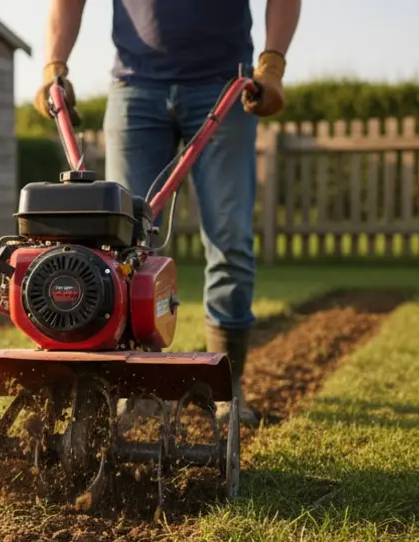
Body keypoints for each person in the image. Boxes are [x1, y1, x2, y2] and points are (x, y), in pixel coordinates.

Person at [35, 0, 301, 428]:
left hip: (225, 85)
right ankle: (136, 386)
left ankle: (227, 386)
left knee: (230, 239)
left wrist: (272, 63)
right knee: (122, 245)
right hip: (135, 87)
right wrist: (54, 66)